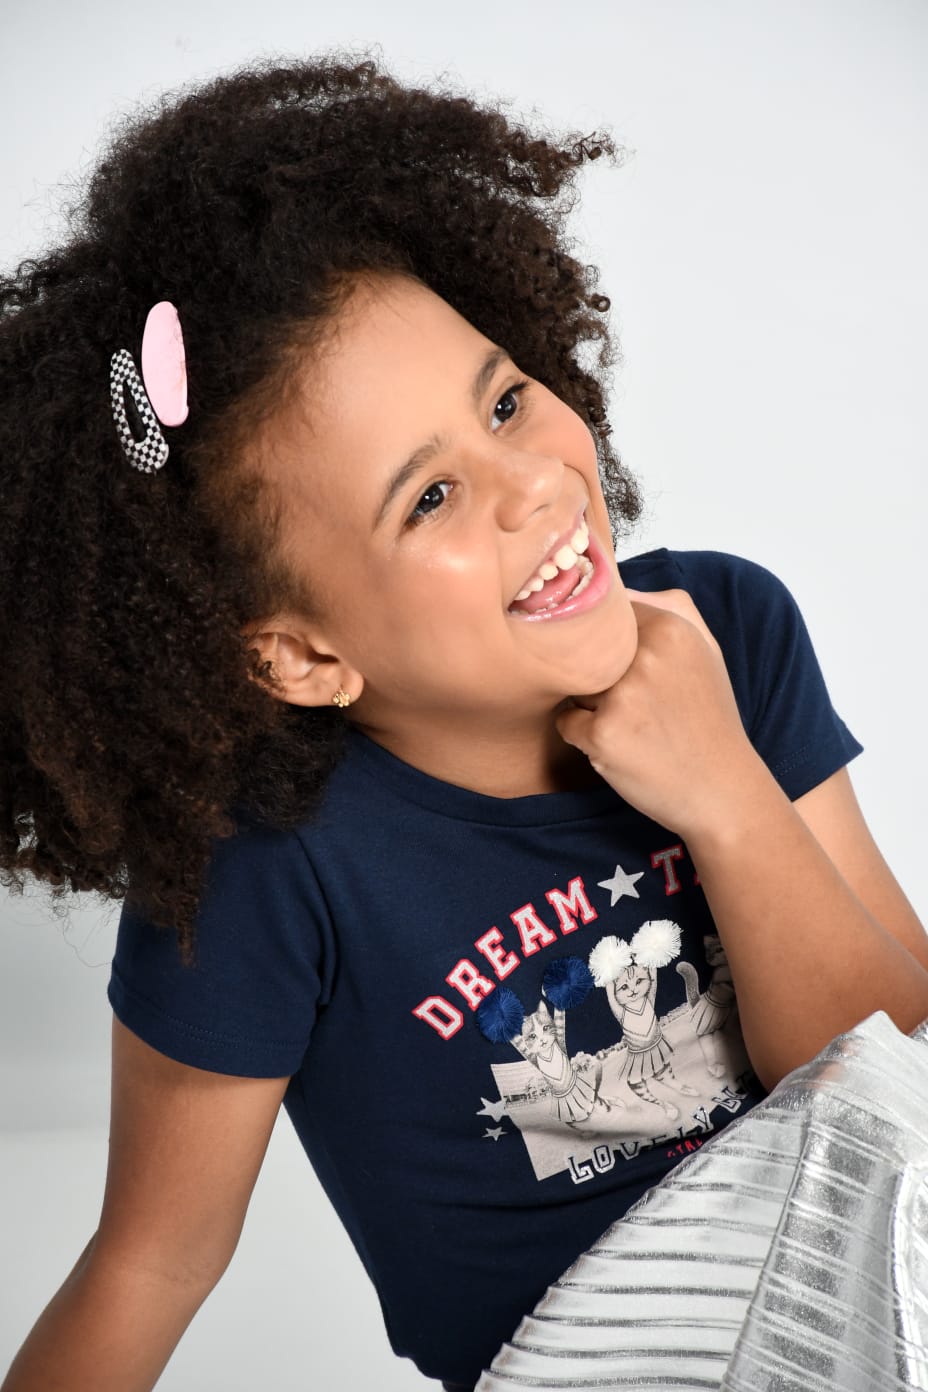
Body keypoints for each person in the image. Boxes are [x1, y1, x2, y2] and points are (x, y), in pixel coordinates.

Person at [1, 53, 927, 1392]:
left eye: (503, 403)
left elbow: (898, 1084)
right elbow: (151, 1262)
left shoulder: (729, 629)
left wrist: (727, 796)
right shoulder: (267, 866)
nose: (532, 483)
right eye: (428, 498)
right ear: (302, 655)